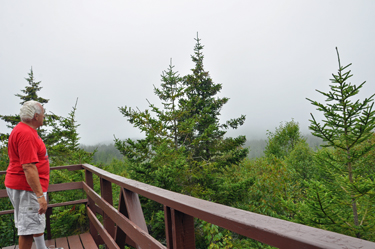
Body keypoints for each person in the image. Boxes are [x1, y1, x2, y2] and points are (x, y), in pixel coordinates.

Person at [5, 100, 62, 249]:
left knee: (33, 222)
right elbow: (28, 166)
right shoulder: (26, 134)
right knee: (27, 229)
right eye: (43, 114)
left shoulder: (23, 130)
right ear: (36, 116)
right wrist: (39, 196)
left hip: (26, 187)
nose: (44, 116)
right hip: (27, 188)